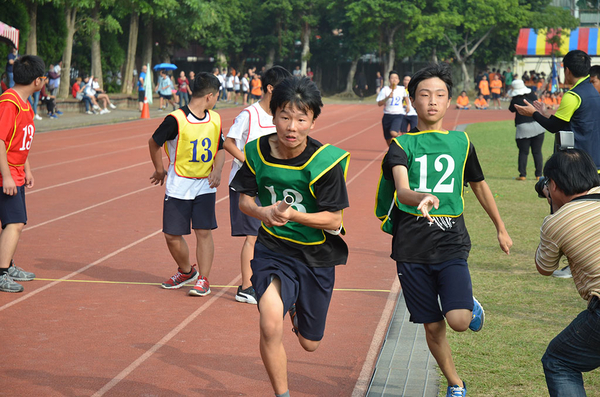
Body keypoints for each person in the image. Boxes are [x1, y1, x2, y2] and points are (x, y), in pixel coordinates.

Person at [375, 63, 512, 397]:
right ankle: (455, 384)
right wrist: (422, 196)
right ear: (412, 101)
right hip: (411, 248)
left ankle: (470, 305)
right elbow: (402, 191)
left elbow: (479, 186)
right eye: (424, 95)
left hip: (451, 243)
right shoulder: (401, 146)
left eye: (440, 95)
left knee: (459, 321)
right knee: (433, 326)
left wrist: (501, 228)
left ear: (450, 101)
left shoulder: (462, 143)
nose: (432, 101)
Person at [230, 76, 350, 397]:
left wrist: (294, 214)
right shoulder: (256, 151)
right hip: (274, 250)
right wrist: (265, 213)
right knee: (269, 323)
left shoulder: (325, 162)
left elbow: (333, 218)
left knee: (310, 344)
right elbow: (244, 200)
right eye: (285, 116)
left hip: (316, 255)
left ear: (313, 120)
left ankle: (296, 304)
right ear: (273, 116)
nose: (291, 126)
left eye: (301, 118)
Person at [148, 72, 225, 296]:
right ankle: (186, 271)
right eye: (217, 95)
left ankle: (203, 278)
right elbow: (154, 142)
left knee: (204, 232)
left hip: (204, 185)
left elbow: (220, 148)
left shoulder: (216, 119)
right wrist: (160, 168)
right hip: (178, 184)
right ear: (210, 96)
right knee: (171, 235)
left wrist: (218, 170)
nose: (217, 100)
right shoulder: (176, 119)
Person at [224, 65, 292, 305]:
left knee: (273, 233)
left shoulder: (280, 116)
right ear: (271, 88)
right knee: (253, 236)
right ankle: (246, 287)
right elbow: (229, 142)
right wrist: (250, 163)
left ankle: (269, 279)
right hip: (247, 185)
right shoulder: (249, 115)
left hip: (271, 184)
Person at [535, 149, 600, 397]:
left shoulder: (558, 221)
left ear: (552, 184)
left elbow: (545, 267)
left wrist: (554, 210)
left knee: (559, 360)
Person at [0, 55, 46, 293]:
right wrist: (6, 175)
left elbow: (19, 142)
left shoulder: (25, 103)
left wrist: (27, 168)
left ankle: (7, 265)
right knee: (15, 222)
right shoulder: (10, 103)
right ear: (38, 80)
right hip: (5, 174)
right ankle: (1, 273)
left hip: (16, 172)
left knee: (13, 223)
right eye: (44, 77)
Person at [515, 50, 600, 169]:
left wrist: (533, 113)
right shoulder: (593, 91)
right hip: (594, 161)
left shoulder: (573, 95)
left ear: (567, 70)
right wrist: (546, 114)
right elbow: (570, 123)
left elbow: (554, 127)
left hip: (578, 163)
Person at [508, 80, 545, 181]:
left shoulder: (515, 100)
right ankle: (538, 175)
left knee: (523, 152)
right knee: (537, 152)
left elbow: (511, 109)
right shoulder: (532, 95)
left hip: (523, 127)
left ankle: (522, 175)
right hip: (537, 125)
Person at [376, 70, 409, 145]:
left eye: (396, 78)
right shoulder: (385, 89)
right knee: (387, 138)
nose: (394, 80)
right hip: (387, 115)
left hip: (398, 115)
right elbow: (379, 103)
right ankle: (392, 151)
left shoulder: (401, 89)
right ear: (389, 80)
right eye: (392, 78)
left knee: (393, 133)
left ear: (398, 80)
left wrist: (408, 105)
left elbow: (406, 96)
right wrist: (388, 97)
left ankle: (402, 141)